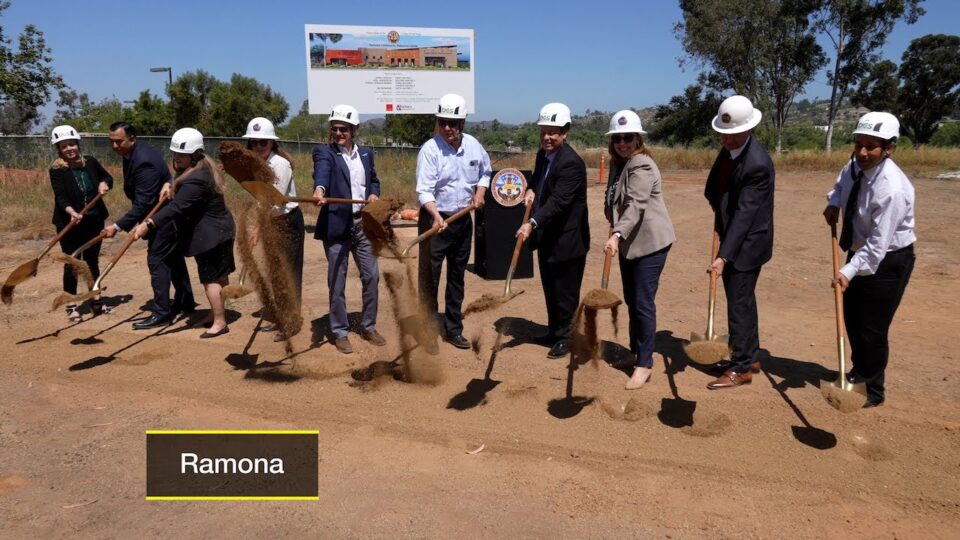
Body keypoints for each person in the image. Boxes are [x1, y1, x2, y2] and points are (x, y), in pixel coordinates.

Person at [823, 111, 915, 408]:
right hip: (859, 251)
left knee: (872, 327)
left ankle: (872, 390)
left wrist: (848, 271)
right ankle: (858, 372)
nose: (862, 152)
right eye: (858, 144)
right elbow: (840, 186)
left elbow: (878, 246)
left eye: (871, 147)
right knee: (852, 317)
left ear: (888, 148)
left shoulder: (893, 189)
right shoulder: (854, 165)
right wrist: (834, 203)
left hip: (889, 260)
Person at [133, 128, 236, 338]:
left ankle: (219, 322)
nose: (177, 158)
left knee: (212, 280)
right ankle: (216, 314)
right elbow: (180, 184)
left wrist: (148, 223)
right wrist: (169, 184)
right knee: (219, 277)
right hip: (219, 230)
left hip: (212, 235)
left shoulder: (197, 177)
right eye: (175, 154)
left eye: (181, 155)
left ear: (195, 155)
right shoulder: (201, 168)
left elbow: (176, 208)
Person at [702, 95, 775, 390]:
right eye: (723, 133)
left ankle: (741, 368)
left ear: (748, 129)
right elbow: (716, 186)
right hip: (733, 233)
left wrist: (724, 255)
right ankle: (750, 356)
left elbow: (746, 215)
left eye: (732, 135)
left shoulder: (757, 164)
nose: (726, 139)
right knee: (743, 301)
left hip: (746, 245)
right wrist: (718, 211)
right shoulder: (729, 150)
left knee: (739, 305)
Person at [602, 111, 675, 389]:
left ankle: (644, 364)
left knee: (643, 303)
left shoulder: (641, 164)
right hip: (629, 243)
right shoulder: (617, 164)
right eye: (617, 138)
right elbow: (615, 200)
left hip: (650, 244)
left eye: (628, 138)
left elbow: (636, 203)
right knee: (633, 300)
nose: (622, 143)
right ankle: (635, 352)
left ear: (638, 139)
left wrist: (618, 233)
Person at [416, 93, 492, 354]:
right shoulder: (430, 150)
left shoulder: (473, 146)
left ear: (463, 123)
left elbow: (485, 172)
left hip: (462, 221)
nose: (447, 128)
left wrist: (480, 193)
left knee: (457, 276)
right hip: (435, 220)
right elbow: (424, 190)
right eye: (443, 122)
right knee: (430, 278)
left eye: (453, 123)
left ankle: (453, 329)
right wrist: (437, 217)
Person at [516, 103, 590, 359]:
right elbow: (539, 179)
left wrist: (532, 222)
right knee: (550, 287)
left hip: (568, 239)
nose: (547, 137)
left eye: (553, 132)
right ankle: (553, 331)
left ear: (565, 132)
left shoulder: (572, 164)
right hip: (548, 236)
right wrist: (531, 190)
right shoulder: (542, 154)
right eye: (544, 132)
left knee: (566, 292)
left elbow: (558, 202)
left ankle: (566, 338)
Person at [104, 121, 195, 329]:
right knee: (172, 259)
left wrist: (117, 227)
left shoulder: (144, 161)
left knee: (157, 261)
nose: (115, 146)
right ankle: (186, 301)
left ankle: (161, 312)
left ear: (132, 139)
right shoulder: (131, 154)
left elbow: (143, 203)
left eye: (119, 142)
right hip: (159, 217)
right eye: (112, 142)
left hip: (162, 219)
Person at [312, 104, 385, 354]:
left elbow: (373, 180)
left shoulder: (366, 155)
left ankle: (368, 325)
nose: (338, 133)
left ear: (354, 130)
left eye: (343, 129)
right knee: (337, 280)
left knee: (372, 276)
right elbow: (321, 174)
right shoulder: (325, 153)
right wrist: (319, 191)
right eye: (335, 129)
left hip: (363, 224)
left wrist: (374, 194)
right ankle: (340, 331)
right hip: (336, 225)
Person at [244, 116, 305, 341]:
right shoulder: (255, 164)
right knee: (275, 272)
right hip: (271, 220)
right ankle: (281, 314)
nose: (258, 147)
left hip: (287, 221)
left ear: (272, 143)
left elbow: (272, 200)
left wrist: (258, 229)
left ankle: (292, 321)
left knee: (289, 272)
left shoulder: (280, 164)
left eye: (263, 142)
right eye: (254, 142)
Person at [48, 125, 113, 321]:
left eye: (72, 144)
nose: (69, 149)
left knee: (92, 261)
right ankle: (71, 305)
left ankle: (96, 302)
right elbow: (60, 197)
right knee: (73, 263)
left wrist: (105, 184)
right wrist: (72, 212)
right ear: (58, 149)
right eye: (64, 146)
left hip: (94, 221)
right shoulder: (57, 170)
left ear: (77, 144)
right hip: (70, 224)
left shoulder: (90, 162)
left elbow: (107, 177)